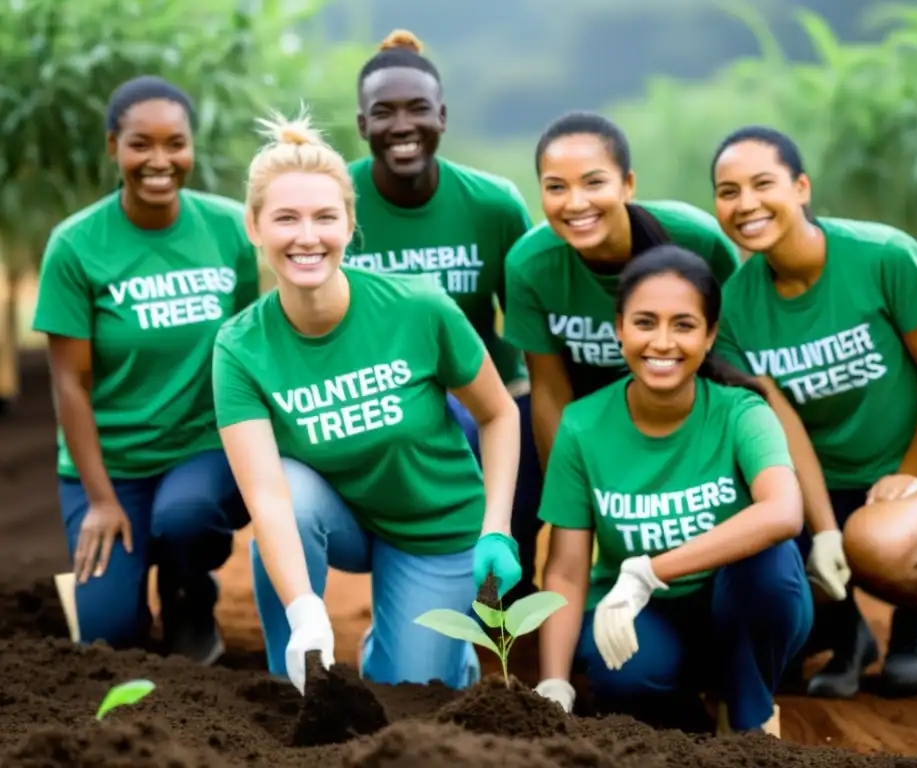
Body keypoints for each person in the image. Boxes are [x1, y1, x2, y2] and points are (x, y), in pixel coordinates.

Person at [212, 109, 523, 695]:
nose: (307, 237)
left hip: (431, 523)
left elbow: (499, 412)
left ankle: (423, 649)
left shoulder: (418, 307)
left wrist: (497, 529)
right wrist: (306, 610)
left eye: (325, 217)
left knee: (412, 690)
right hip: (339, 515)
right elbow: (268, 497)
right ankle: (299, 677)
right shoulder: (240, 346)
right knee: (290, 492)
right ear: (254, 227)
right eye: (286, 219)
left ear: (350, 223)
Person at [709, 125, 917, 698]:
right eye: (728, 191)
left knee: (875, 546)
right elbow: (782, 426)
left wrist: (908, 474)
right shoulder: (733, 306)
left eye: (763, 184)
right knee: (774, 550)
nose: (746, 204)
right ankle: (848, 635)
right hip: (823, 481)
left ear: (802, 187)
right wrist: (825, 530)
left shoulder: (883, 256)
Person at [532, 245, 811, 736]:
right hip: (645, 614)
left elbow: (784, 512)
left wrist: (649, 570)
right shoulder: (582, 425)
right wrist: (554, 683)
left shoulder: (741, 412)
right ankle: (689, 704)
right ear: (619, 328)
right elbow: (567, 570)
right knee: (626, 679)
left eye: (683, 325)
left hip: (739, 604)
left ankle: (748, 712)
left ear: (710, 335)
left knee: (768, 567)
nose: (662, 342)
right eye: (645, 323)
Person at [32, 75, 259, 664]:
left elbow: (254, 347)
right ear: (114, 148)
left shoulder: (231, 228)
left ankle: (189, 592)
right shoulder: (76, 245)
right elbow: (69, 385)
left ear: (191, 147)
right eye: (140, 144)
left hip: (201, 448)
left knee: (183, 519)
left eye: (174, 143)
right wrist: (102, 501)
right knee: (108, 640)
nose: (160, 161)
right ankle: (112, 586)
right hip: (112, 464)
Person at [346, 29, 543, 605]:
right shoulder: (338, 203)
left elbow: (529, 327)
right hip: (386, 397)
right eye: (383, 112)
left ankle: (505, 580)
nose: (402, 125)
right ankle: (419, 578)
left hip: (491, 390)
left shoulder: (493, 204)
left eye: (418, 109)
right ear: (361, 125)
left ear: (444, 117)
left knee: (519, 427)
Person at [502, 112, 741, 473]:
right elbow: (550, 392)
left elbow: (734, 351)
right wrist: (567, 495)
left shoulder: (698, 240)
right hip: (588, 411)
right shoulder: (529, 265)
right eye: (556, 187)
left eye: (593, 183)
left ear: (628, 184)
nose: (576, 203)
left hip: (686, 399)